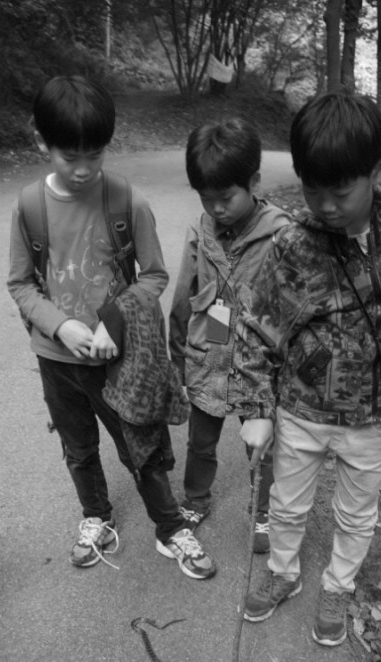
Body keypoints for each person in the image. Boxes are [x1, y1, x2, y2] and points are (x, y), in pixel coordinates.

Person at [235, 91, 381, 643]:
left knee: (356, 513)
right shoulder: (294, 245)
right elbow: (257, 327)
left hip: (373, 415)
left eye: (340, 191)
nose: (325, 206)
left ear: (376, 170)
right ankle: (283, 573)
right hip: (300, 410)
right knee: (285, 506)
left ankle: (338, 585)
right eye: (312, 189)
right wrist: (255, 409)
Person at [7, 75, 216, 579]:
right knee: (78, 449)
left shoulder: (125, 201)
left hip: (118, 362)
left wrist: (115, 322)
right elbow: (20, 284)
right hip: (56, 360)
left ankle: (170, 528)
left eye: (94, 156)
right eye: (69, 156)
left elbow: (155, 275)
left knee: (140, 446)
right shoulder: (29, 206)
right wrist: (60, 326)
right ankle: (97, 517)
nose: (83, 169)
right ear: (41, 142)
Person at [169, 118, 290, 553]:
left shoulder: (281, 234)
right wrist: (178, 354)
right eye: (206, 198)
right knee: (200, 441)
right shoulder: (200, 233)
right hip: (208, 359)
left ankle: (265, 511)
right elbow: (183, 297)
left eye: (226, 197)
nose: (216, 208)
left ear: (253, 182)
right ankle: (195, 498)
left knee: (262, 445)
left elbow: (293, 309)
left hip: (257, 369)